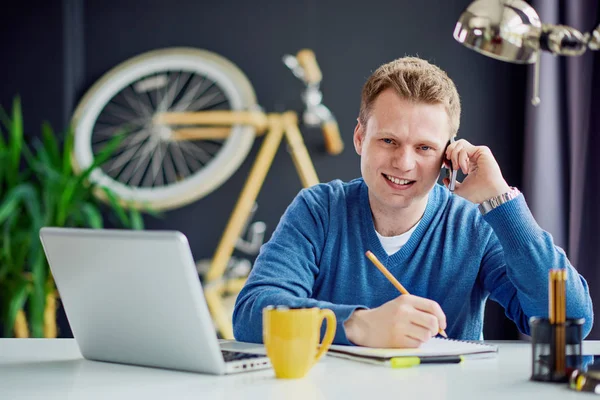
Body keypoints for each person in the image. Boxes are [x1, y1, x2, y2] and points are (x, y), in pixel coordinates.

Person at [232, 56, 593, 348]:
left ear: (448, 154)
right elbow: (252, 313)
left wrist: (502, 201)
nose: (403, 163)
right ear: (360, 137)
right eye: (388, 141)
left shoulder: (474, 222)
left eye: (424, 148)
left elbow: (569, 321)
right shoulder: (320, 209)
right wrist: (359, 325)